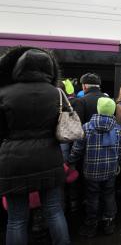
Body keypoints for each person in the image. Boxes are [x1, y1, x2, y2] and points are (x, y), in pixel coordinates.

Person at [0, 47, 70, 245]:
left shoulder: (4, 93)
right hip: (49, 157)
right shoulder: (57, 94)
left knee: (16, 219)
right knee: (54, 211)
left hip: (12, 162)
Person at [67, 97, 121, 238]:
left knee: (92, 197)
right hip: (110, 170)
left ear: (98, 109)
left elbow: (77, 149)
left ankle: (91, 224)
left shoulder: (86, 127)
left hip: (91, 171)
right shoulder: (117, 129)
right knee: (109, 195)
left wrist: (70, 161)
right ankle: (108, 222)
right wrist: (117, 162)